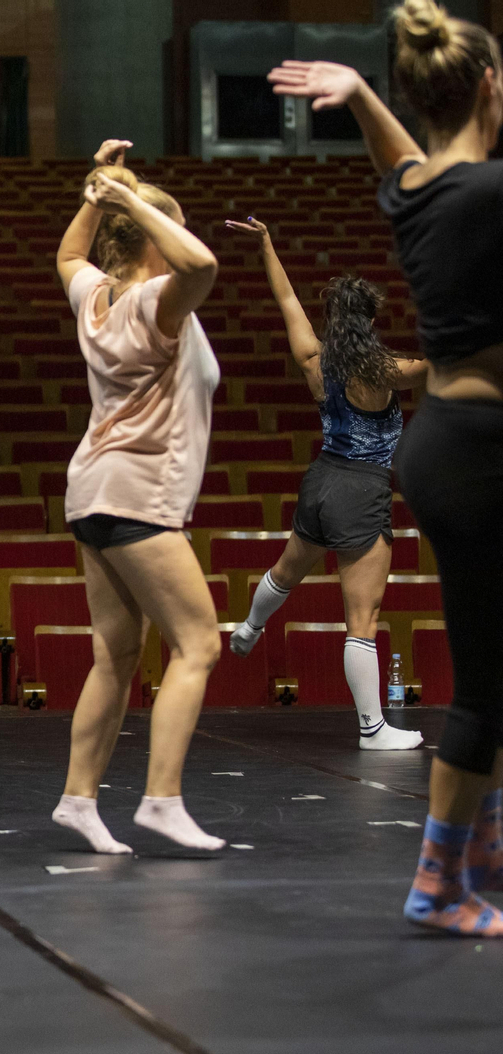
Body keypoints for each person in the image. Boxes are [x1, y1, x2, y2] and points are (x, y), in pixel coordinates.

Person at [270, 0, 503, 935]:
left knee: (493, 673)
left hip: (447, 445)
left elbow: (399, 161)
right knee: (487, 682)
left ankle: (471, 856)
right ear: (491, 86)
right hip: (483, 453)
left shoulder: (422, 196)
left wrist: (365, 93)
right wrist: (370, 93)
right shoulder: (484, 194)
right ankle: (444, 879)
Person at [48, 140, 226, 855]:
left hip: (92, 488)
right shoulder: (158, 302)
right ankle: (161, 799)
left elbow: (66, 258)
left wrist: (95, 195)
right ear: (153, 240)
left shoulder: (94, 296)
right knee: (199, 643)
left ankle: (77, 799)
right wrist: (128, 202)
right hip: (137, 492)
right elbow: (204, 263)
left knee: (116, 656)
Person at [222, 216, 427, 750]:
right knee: (363, 616)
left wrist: (267, 242)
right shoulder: (387, 368)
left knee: (287, 571)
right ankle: (372, 729)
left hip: (321, 481)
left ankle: (248, 627)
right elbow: (445, 362)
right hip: (362, 490)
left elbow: (286, 300)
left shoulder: (313, 357)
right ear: (371, 320)